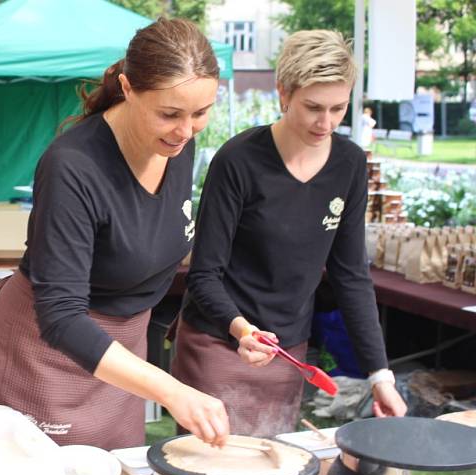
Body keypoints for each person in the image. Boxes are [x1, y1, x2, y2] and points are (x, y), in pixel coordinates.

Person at [0, 18, 229, 450]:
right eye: (170, 114)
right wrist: (169, 388)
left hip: (121, 361)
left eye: (200, 113)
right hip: (45, 353)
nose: (186, 132)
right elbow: (61, 315)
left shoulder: (177, 146)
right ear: (129, 89)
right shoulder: (73, 166)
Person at [173, 30, 407, 438]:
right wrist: (243, 330)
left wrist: (379, 374)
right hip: (219, 343)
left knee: (271, 468)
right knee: (207, 473)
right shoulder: (239, 160)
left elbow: (351, 275)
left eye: (338, 108)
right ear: (283, 93)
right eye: (313, 107)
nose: (326, 122)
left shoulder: (349, 164)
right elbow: (204, 274)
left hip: (289, 352)